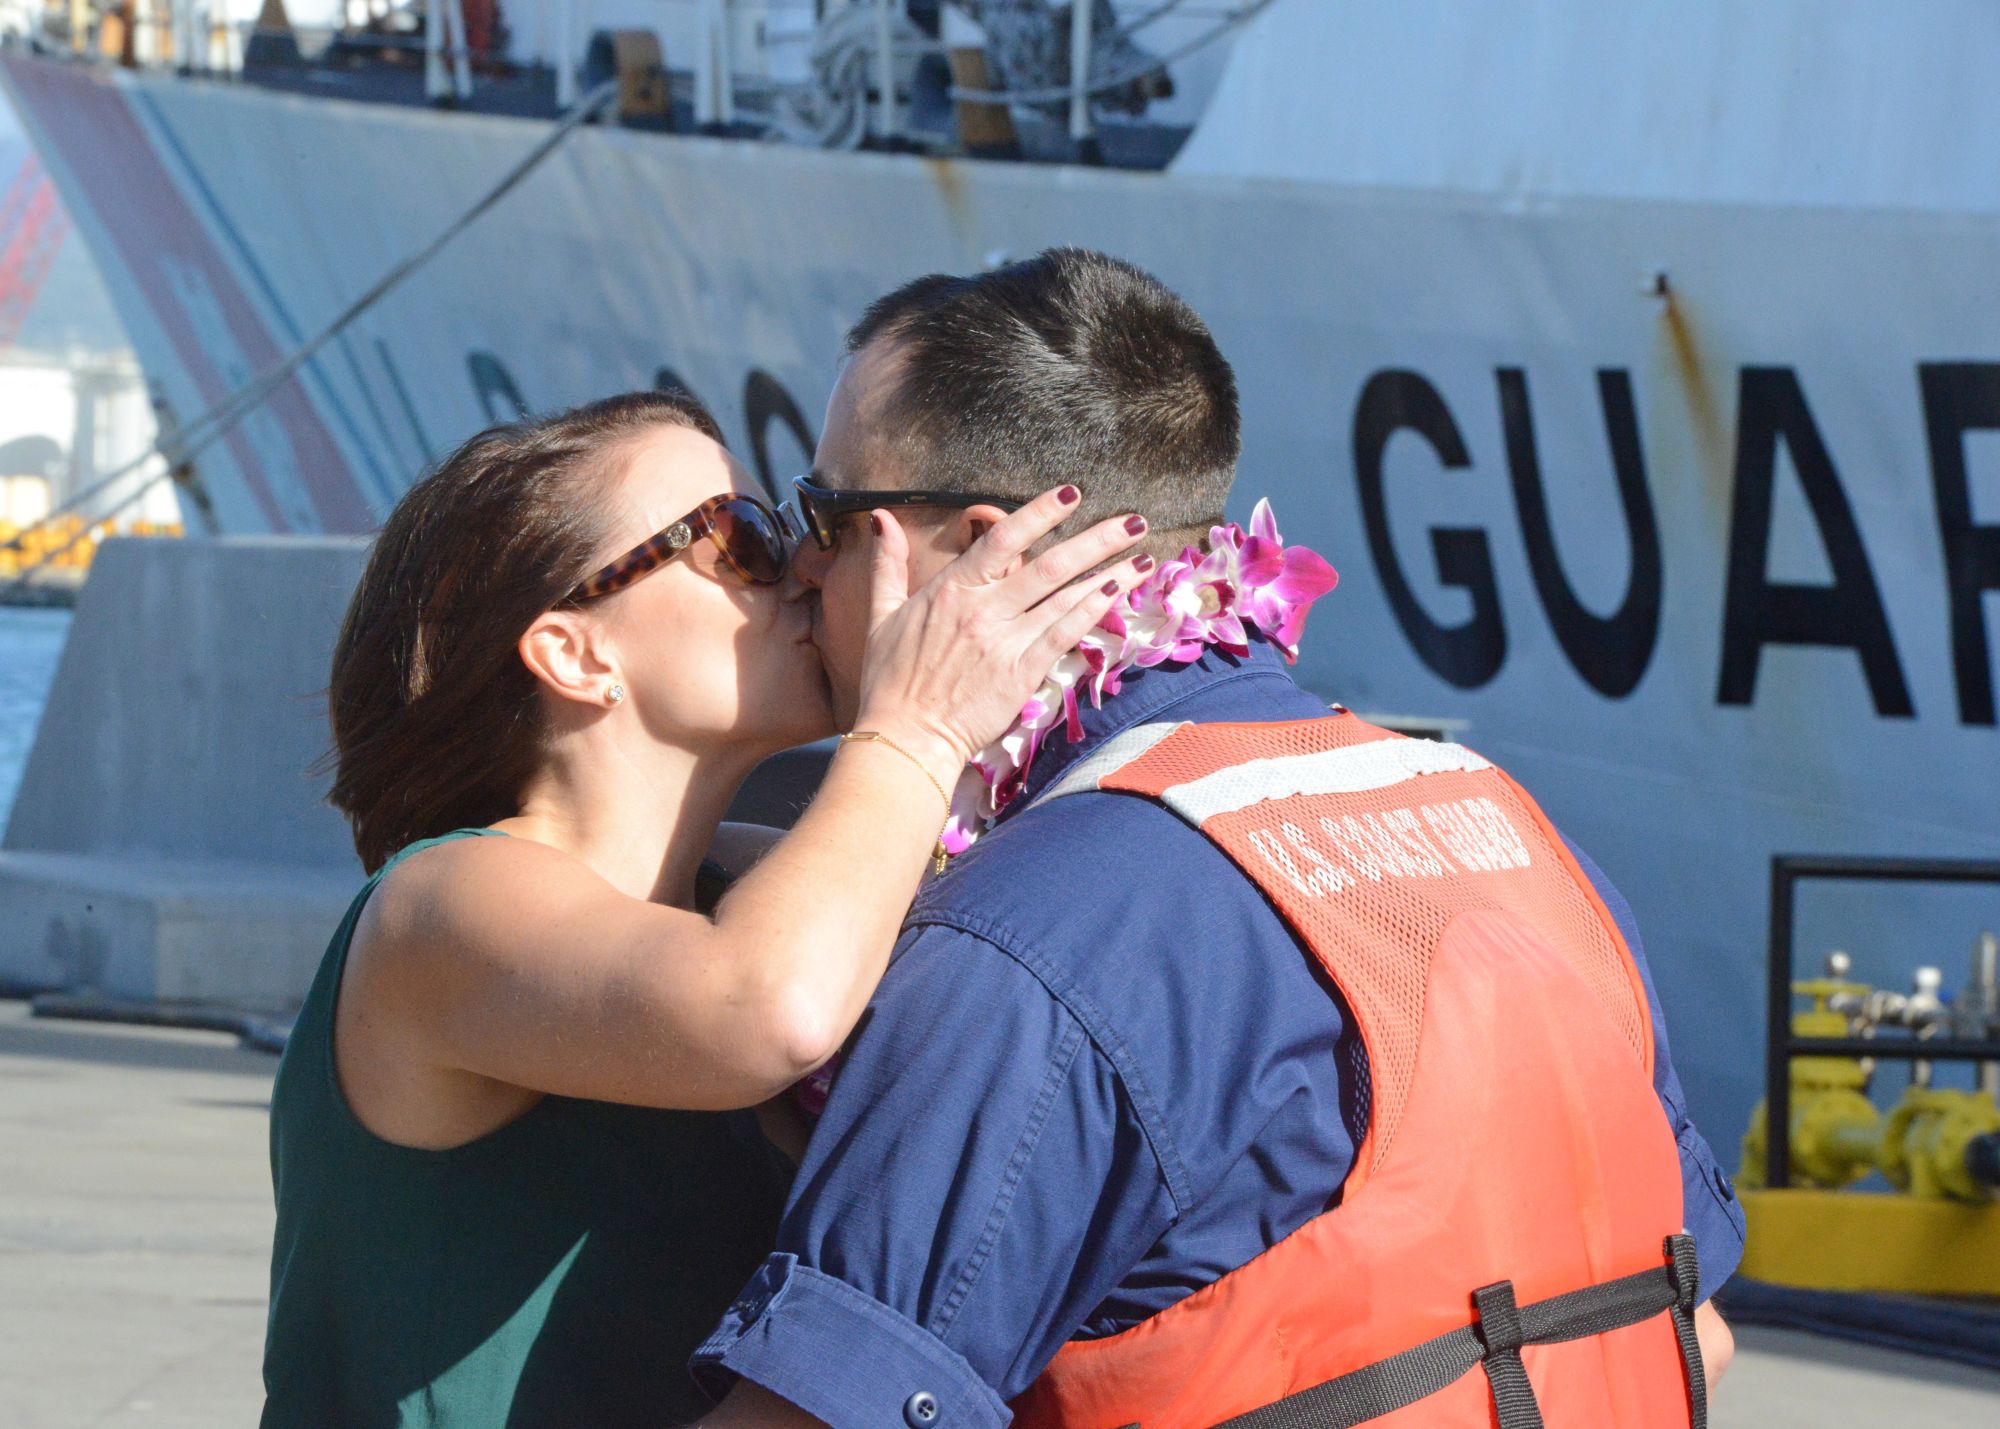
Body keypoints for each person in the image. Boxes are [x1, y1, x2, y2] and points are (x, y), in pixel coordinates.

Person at [693, 251, 1747, 1429]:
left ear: (981, 555)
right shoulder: (1508, 825)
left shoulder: (1025, 942)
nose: (796, 562)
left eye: (830, 516)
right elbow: (1690, 1326)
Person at [259, 389, 1149, 1426]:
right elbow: (760, 1009)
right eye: (737, 542)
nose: (801, 569)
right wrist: (915, 728)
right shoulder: (439, 908)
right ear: (573, 653)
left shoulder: (748, 893)